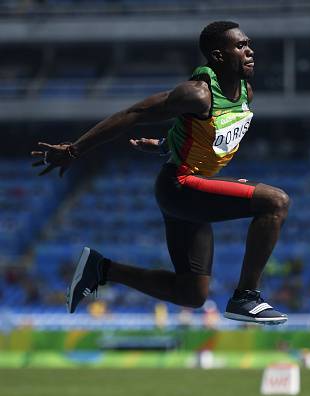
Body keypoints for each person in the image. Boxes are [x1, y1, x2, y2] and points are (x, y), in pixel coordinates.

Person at [30, 21, 289, 325]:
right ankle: (246, 296)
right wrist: (74, 150)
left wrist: (166, 145)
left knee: (191, 294)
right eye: (241, 46)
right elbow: (133, 114)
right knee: (276, 201)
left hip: (194, 188)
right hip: (179, 187)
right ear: (218, 56)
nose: (250, 51)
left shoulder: (245, 91)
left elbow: (204, 136)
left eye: (249, 44)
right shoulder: (197, 94)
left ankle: (102, 269)